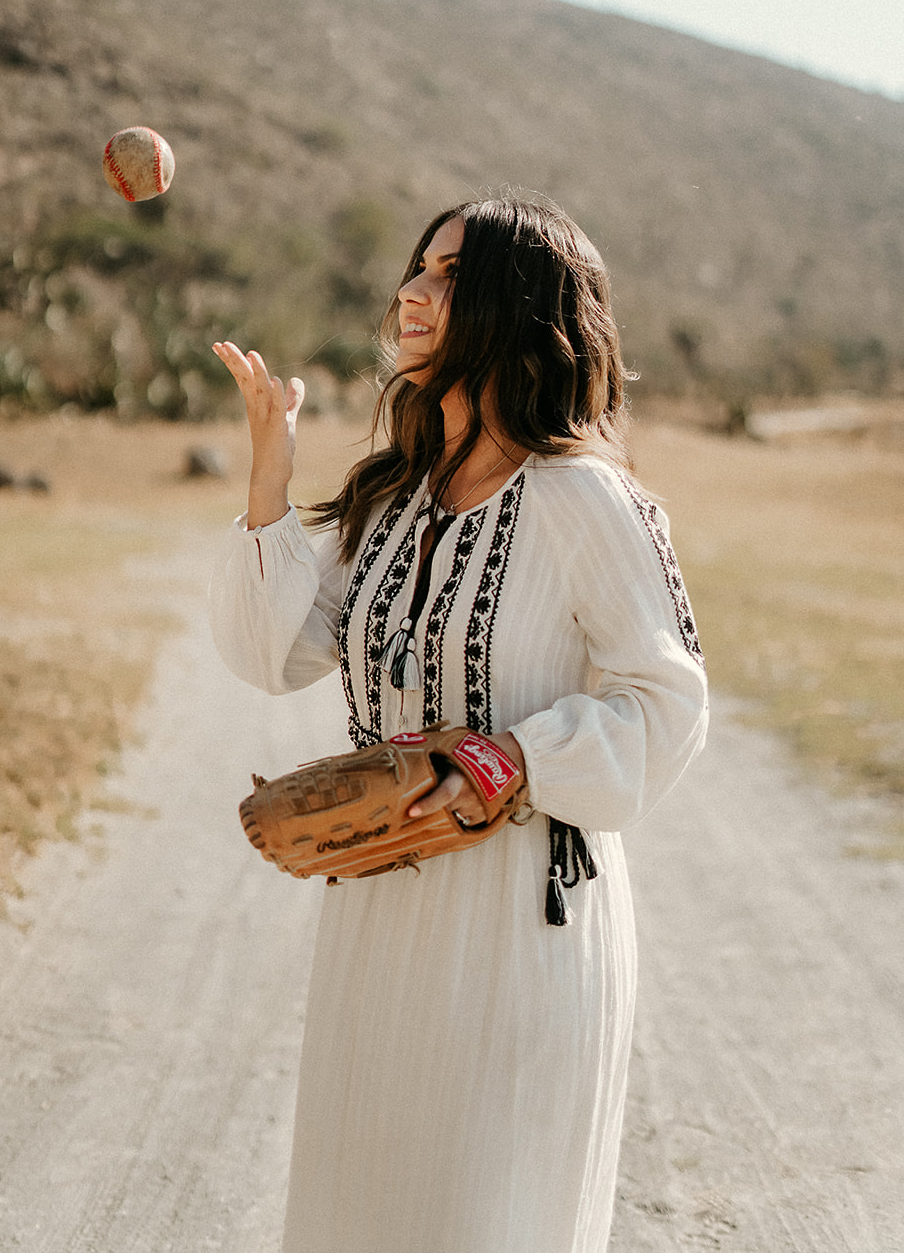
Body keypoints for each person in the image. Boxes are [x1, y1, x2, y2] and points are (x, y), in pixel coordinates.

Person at [209, 196, 708, 1253]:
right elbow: (272, 655)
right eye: (416, 270)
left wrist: (512, 758)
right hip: (379, 921)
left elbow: (667, 701)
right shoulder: (395, 499)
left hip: (524, 929)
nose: (412, 293)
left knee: (483, 1221)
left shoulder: (586, 499)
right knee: (362, 1215)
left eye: (448, 275)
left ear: (514, 307)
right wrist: (269, 479)